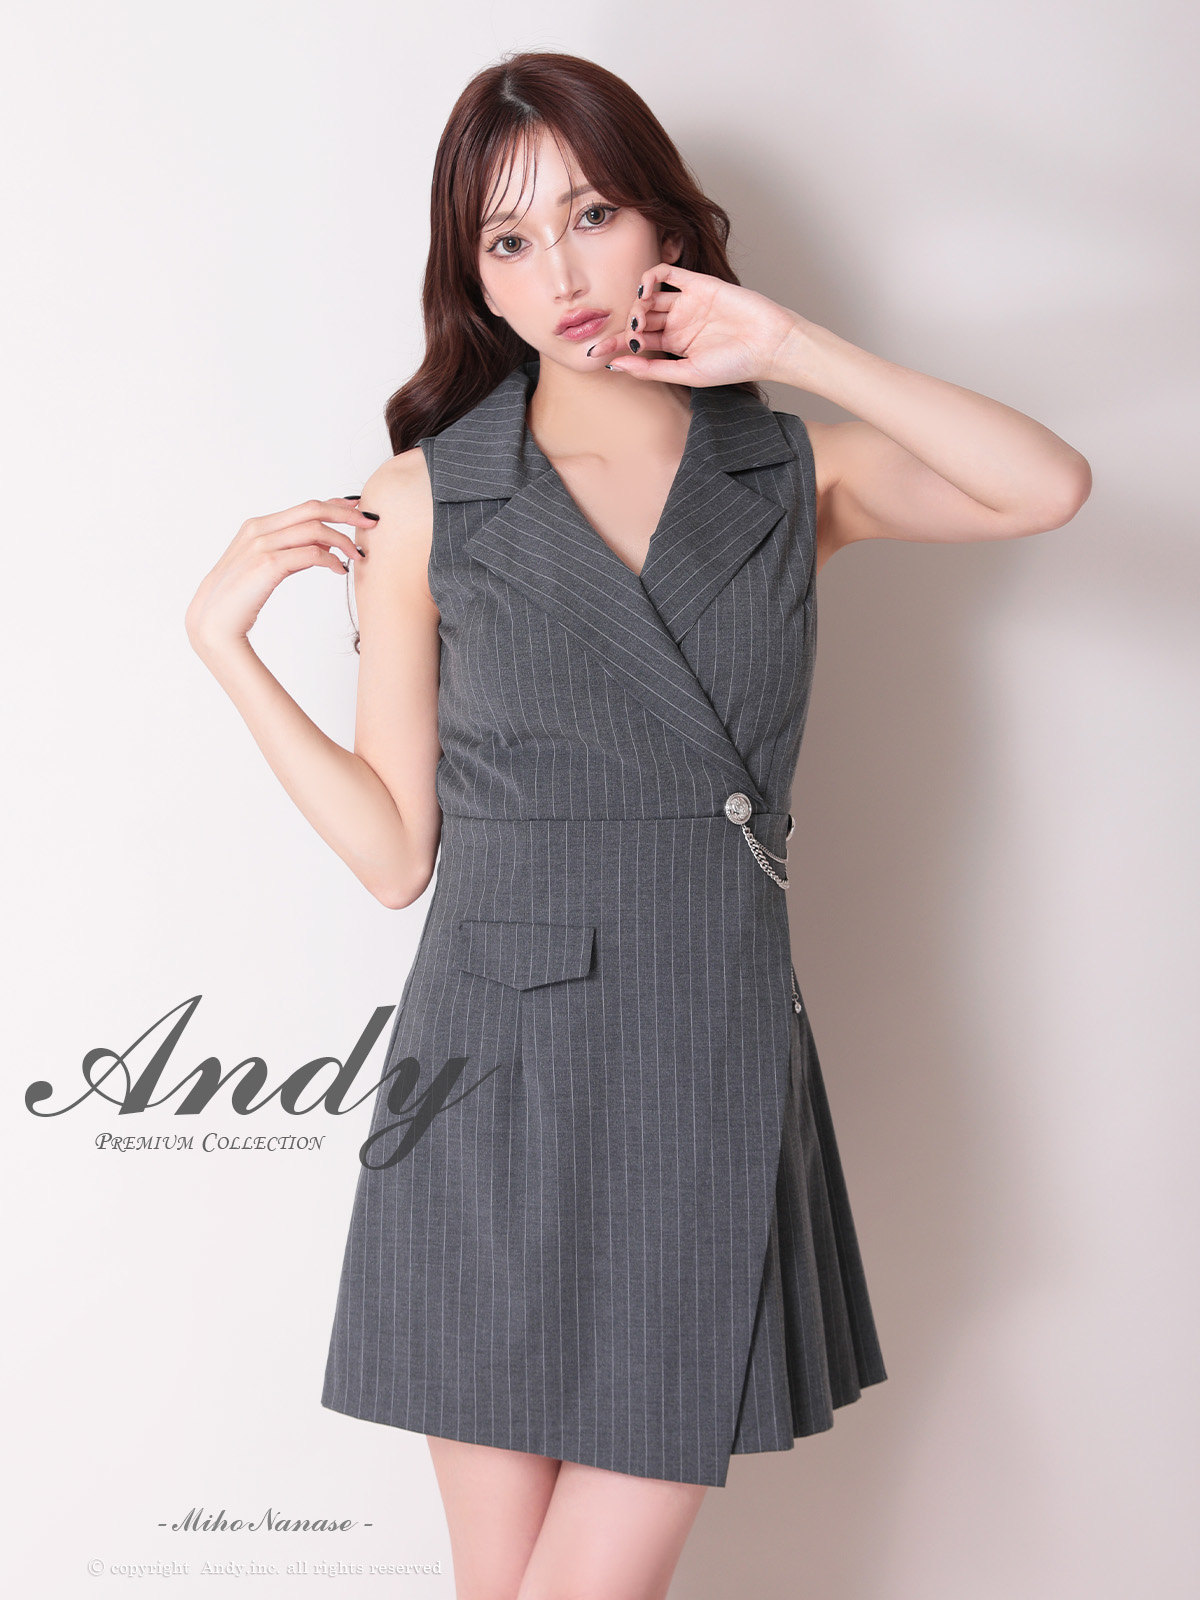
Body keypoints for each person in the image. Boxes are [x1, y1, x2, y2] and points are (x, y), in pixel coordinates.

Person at [184, 48, 1091, 1600]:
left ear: (666, 222)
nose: (559, 273)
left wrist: (788, 343)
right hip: (490, 1073)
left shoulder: (787, 471)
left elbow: (1046, 486)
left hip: (704, 1046)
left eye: (592, 214)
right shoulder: (428, 499)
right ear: (474, 277)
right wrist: (224, 648)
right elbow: (395, 855)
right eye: (509, 239)